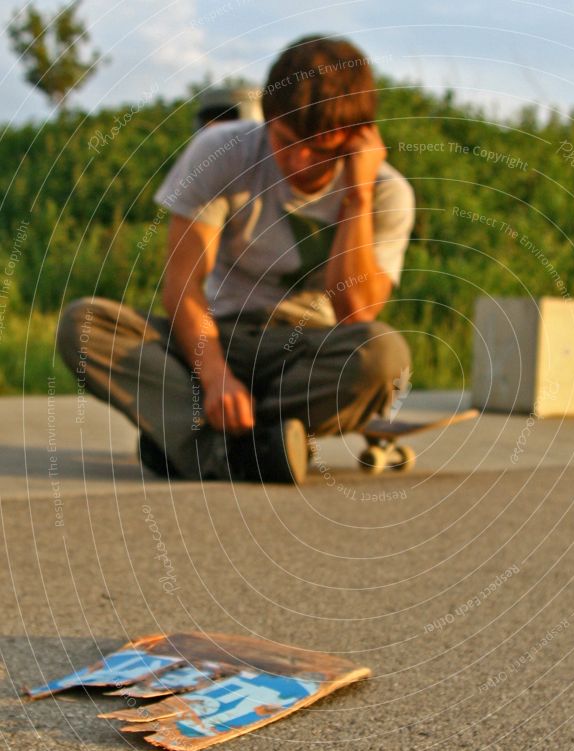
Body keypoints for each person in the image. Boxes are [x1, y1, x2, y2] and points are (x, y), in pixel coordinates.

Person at [57, 34, 415, 484]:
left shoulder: (386, 192)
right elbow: (182, 287)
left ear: (358, 138)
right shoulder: (223, 152)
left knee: (384, 355)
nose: (301, 161)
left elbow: (357, 312)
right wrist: (214, 376)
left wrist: (357, 199)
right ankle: (255, 449)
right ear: (267, 118)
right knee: (83, 324)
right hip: (214, 335)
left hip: (301, 356)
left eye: (322, 148)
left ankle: (195, 441)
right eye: (286, 141)